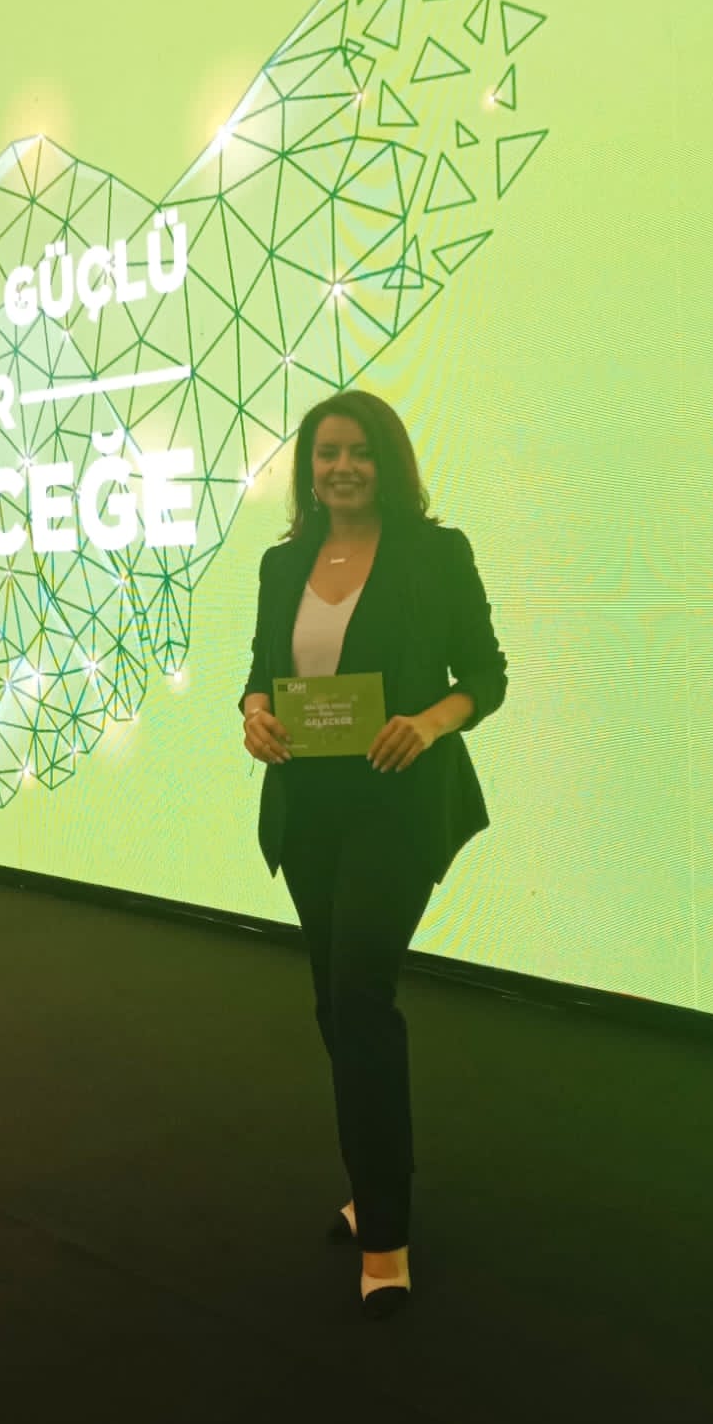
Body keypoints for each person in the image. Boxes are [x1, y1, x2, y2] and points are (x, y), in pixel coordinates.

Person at [240, 390, 508, 1320]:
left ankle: (384, 1231)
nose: (342, 467)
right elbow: (260, 673)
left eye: (359, 452)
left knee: (360, 997)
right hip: (308, 808)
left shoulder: (437, 553)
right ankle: (372, 1180)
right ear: (308, 469)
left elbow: (486, 676)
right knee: (333, 1003)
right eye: (327, 453)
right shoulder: (282, 562)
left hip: (398, 805)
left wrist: (428, 724)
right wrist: (254, 716)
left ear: (388, 462)